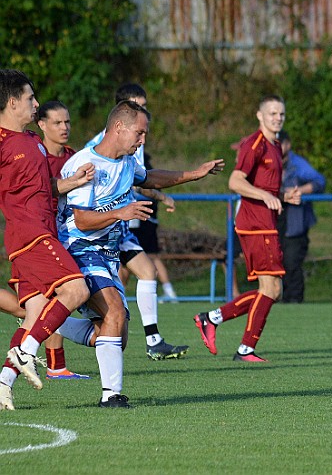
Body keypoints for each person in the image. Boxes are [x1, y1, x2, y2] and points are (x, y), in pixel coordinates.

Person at [59, 99, 225, 408]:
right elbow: (81, 220)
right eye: (139, 132)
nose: (142, 140)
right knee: (114, 313)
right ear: (119, 127)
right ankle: (111, 396)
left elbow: (149, 177)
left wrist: (194, 174)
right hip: (81, 248)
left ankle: (51, 322)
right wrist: (120, 212)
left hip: (108, 252)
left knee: (116, 335)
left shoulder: (125, 161)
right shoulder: (87, 164)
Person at [0, 69, 93, 410]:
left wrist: (74, 182)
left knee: (36, 311)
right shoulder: (3, 143)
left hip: (42, 231)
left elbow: (45, 188)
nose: (36, 104)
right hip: (30, 235)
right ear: (12, 102)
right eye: (29, 98)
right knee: (76, 290)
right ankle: (26, 352)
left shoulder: (32, 142)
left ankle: (3, 384)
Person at [193, 95, 301, 362]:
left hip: (265, 223)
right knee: (272, 289)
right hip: (254, 225)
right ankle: (244, 347)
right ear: (260, 115)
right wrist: (265, 196)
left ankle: (214, 320)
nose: (277, 118)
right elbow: (235, 181)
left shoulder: (275, 146)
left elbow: (266, 186)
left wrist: (284, 196)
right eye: (273, 113)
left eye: (281, 114)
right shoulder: (254, 144)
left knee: (272, 290)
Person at [85, 83, 187, 360]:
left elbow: (138, 177)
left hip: (123, 220)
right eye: (136, 103)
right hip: (98, 229)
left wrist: (160, 196)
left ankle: (152, 338)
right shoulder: (100, 144)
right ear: (122, 111)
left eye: (144, 103)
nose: (143, 109)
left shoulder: (136, 140)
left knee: (145, 271)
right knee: (117, 289)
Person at [35, 100, 91, 379]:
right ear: (42, 125)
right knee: (57, 296)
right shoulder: (36, 156)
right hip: (41, 234)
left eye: (67, 122)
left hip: (71, 235)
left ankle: (57, 365)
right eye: (57, 123)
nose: (64, 127)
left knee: (53, 298)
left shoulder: (74, 157)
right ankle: (56, 366)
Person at [118, 151, 180, 303]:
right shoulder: (117, 163)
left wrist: (163, 197)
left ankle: (168, 291)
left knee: (147, 261)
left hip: (142, 222)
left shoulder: (138, 169)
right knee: (127, 261)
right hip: (129, 222)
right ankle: (119, 296)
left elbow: (144, 186)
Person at [275, 131, 326, 303]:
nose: (278, 146)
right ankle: (282, 301)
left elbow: (319, 181)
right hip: (274, 221)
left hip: (294, 223)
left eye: (281, 143)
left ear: (288, 144)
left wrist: (298, 191)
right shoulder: (267, 161)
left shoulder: (297, 164)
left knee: (291, 263)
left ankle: (294, 303)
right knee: (277, 265)